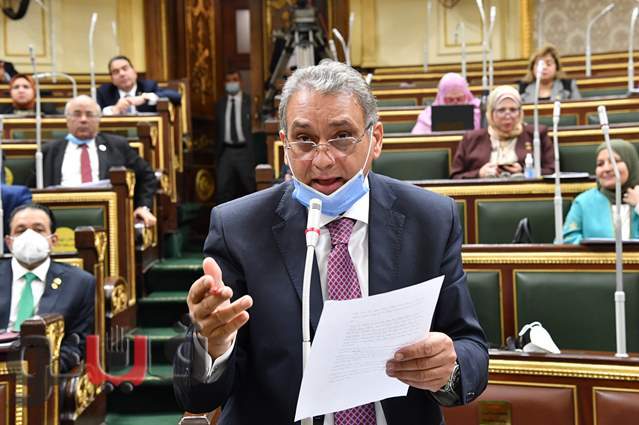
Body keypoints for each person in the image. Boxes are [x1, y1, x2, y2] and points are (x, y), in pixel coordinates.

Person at [174, 60, 488, 424]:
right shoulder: (238, 227)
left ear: (376, 139)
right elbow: (196, 395)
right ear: (285, 145)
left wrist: (448, 367)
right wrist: (212, 345)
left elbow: (471, 347)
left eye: (342, 136)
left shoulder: (430, 219)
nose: (322, 160)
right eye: (304, 140)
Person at [0, 203, 95, 373]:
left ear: (53, 240)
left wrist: (45, 371)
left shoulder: (80, 283)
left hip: (46, 374)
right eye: (21, 230)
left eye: (38, 230)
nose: (29, 236)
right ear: (9, 241)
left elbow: (77, 342)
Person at [40, 95, 157, 227]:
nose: (83, 120)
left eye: (89, 114)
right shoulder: (49, 151)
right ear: (67, 119)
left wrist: (142, 207)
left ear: (98, 119)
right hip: (59, 215)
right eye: (77, 114)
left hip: (110, 217)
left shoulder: (117, 145)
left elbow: (147, 176)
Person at [450, 85, 555, 179]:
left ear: (520, 112)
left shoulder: (537, 134)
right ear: (491, 113)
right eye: (501, 110)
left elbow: (552, 171)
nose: (507, 115)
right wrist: (479, 173)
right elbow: (455, 177)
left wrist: (524, 171)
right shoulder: (471, 138)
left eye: (513, 110)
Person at [563, 139, 639, 243]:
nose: (606, 169)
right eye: (600, 164)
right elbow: (567, 241)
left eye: (614, 161)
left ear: (631, 164)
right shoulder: (584, 202)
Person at [214, 69, 256, 204]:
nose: (231, 83)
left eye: (235, 80)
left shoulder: (250, 102)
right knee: (222, 189)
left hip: (245, 151)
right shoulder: (220, 104)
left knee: (251, 187)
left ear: (241, 82)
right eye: (228, 81)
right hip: (226, 152)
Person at [97, 55, 181, 115]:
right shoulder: (104, 92)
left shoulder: (149, 86)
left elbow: (176, 97)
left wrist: (145, 97)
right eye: (116, 72)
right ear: (112, 78)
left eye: (125, 68)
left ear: (134, 72)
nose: (122, 74)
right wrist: (114, 110)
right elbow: (95, 113)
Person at [411, 72, 481, 134]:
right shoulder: (428, 116)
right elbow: (417, 138)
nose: (455, 103)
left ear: (467, 96)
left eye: (460, 99)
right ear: (441, 98)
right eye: (449, 100)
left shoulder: (478, 112)